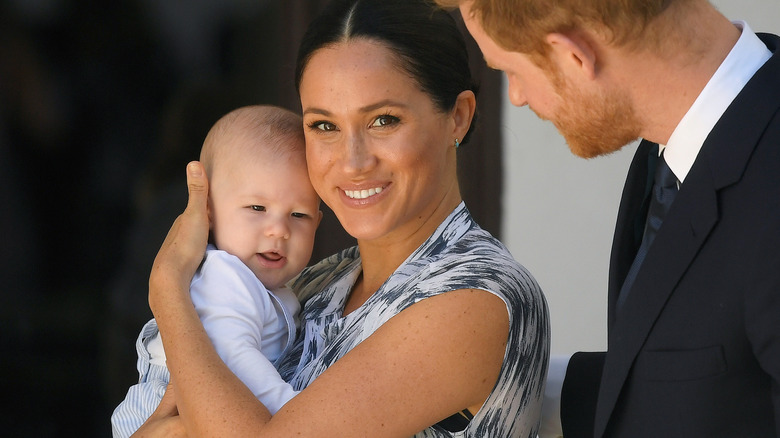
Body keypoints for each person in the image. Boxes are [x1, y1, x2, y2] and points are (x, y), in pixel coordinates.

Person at [133, 0, 550, 436]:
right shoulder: (318, 284)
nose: (352, 162)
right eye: (324, 126)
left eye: (383, 120)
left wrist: (168, 289)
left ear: (458, 118)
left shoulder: (476, 297)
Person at [434, 0, 780, 436]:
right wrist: (498, 381)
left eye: (510, 71)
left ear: (575, 56)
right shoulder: (670, 154)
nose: (517, 97)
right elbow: (710, 382)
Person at [111, 104, 323, 437]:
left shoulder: (268, 285)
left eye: (299, 215)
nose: (279, 230)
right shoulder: (224, 277)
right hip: (167, 414)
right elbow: (234, 358)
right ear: (207, 211)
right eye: (257, 208)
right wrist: (291, 413)